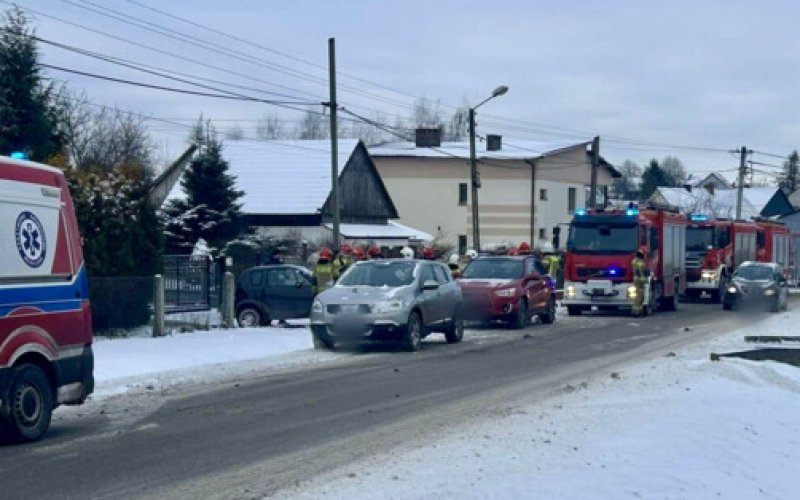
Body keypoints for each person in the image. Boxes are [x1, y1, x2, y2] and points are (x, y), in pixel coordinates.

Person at [631, 249, 649, 316]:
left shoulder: (634, 260)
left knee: (638, 296)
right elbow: (641, 271)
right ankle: (637, 312)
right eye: (644, 254)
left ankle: (637, 310)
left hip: (636, 279)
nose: (645, 256)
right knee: (640, 296)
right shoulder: (640, 262)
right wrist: (644, 279)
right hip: (640, 281)